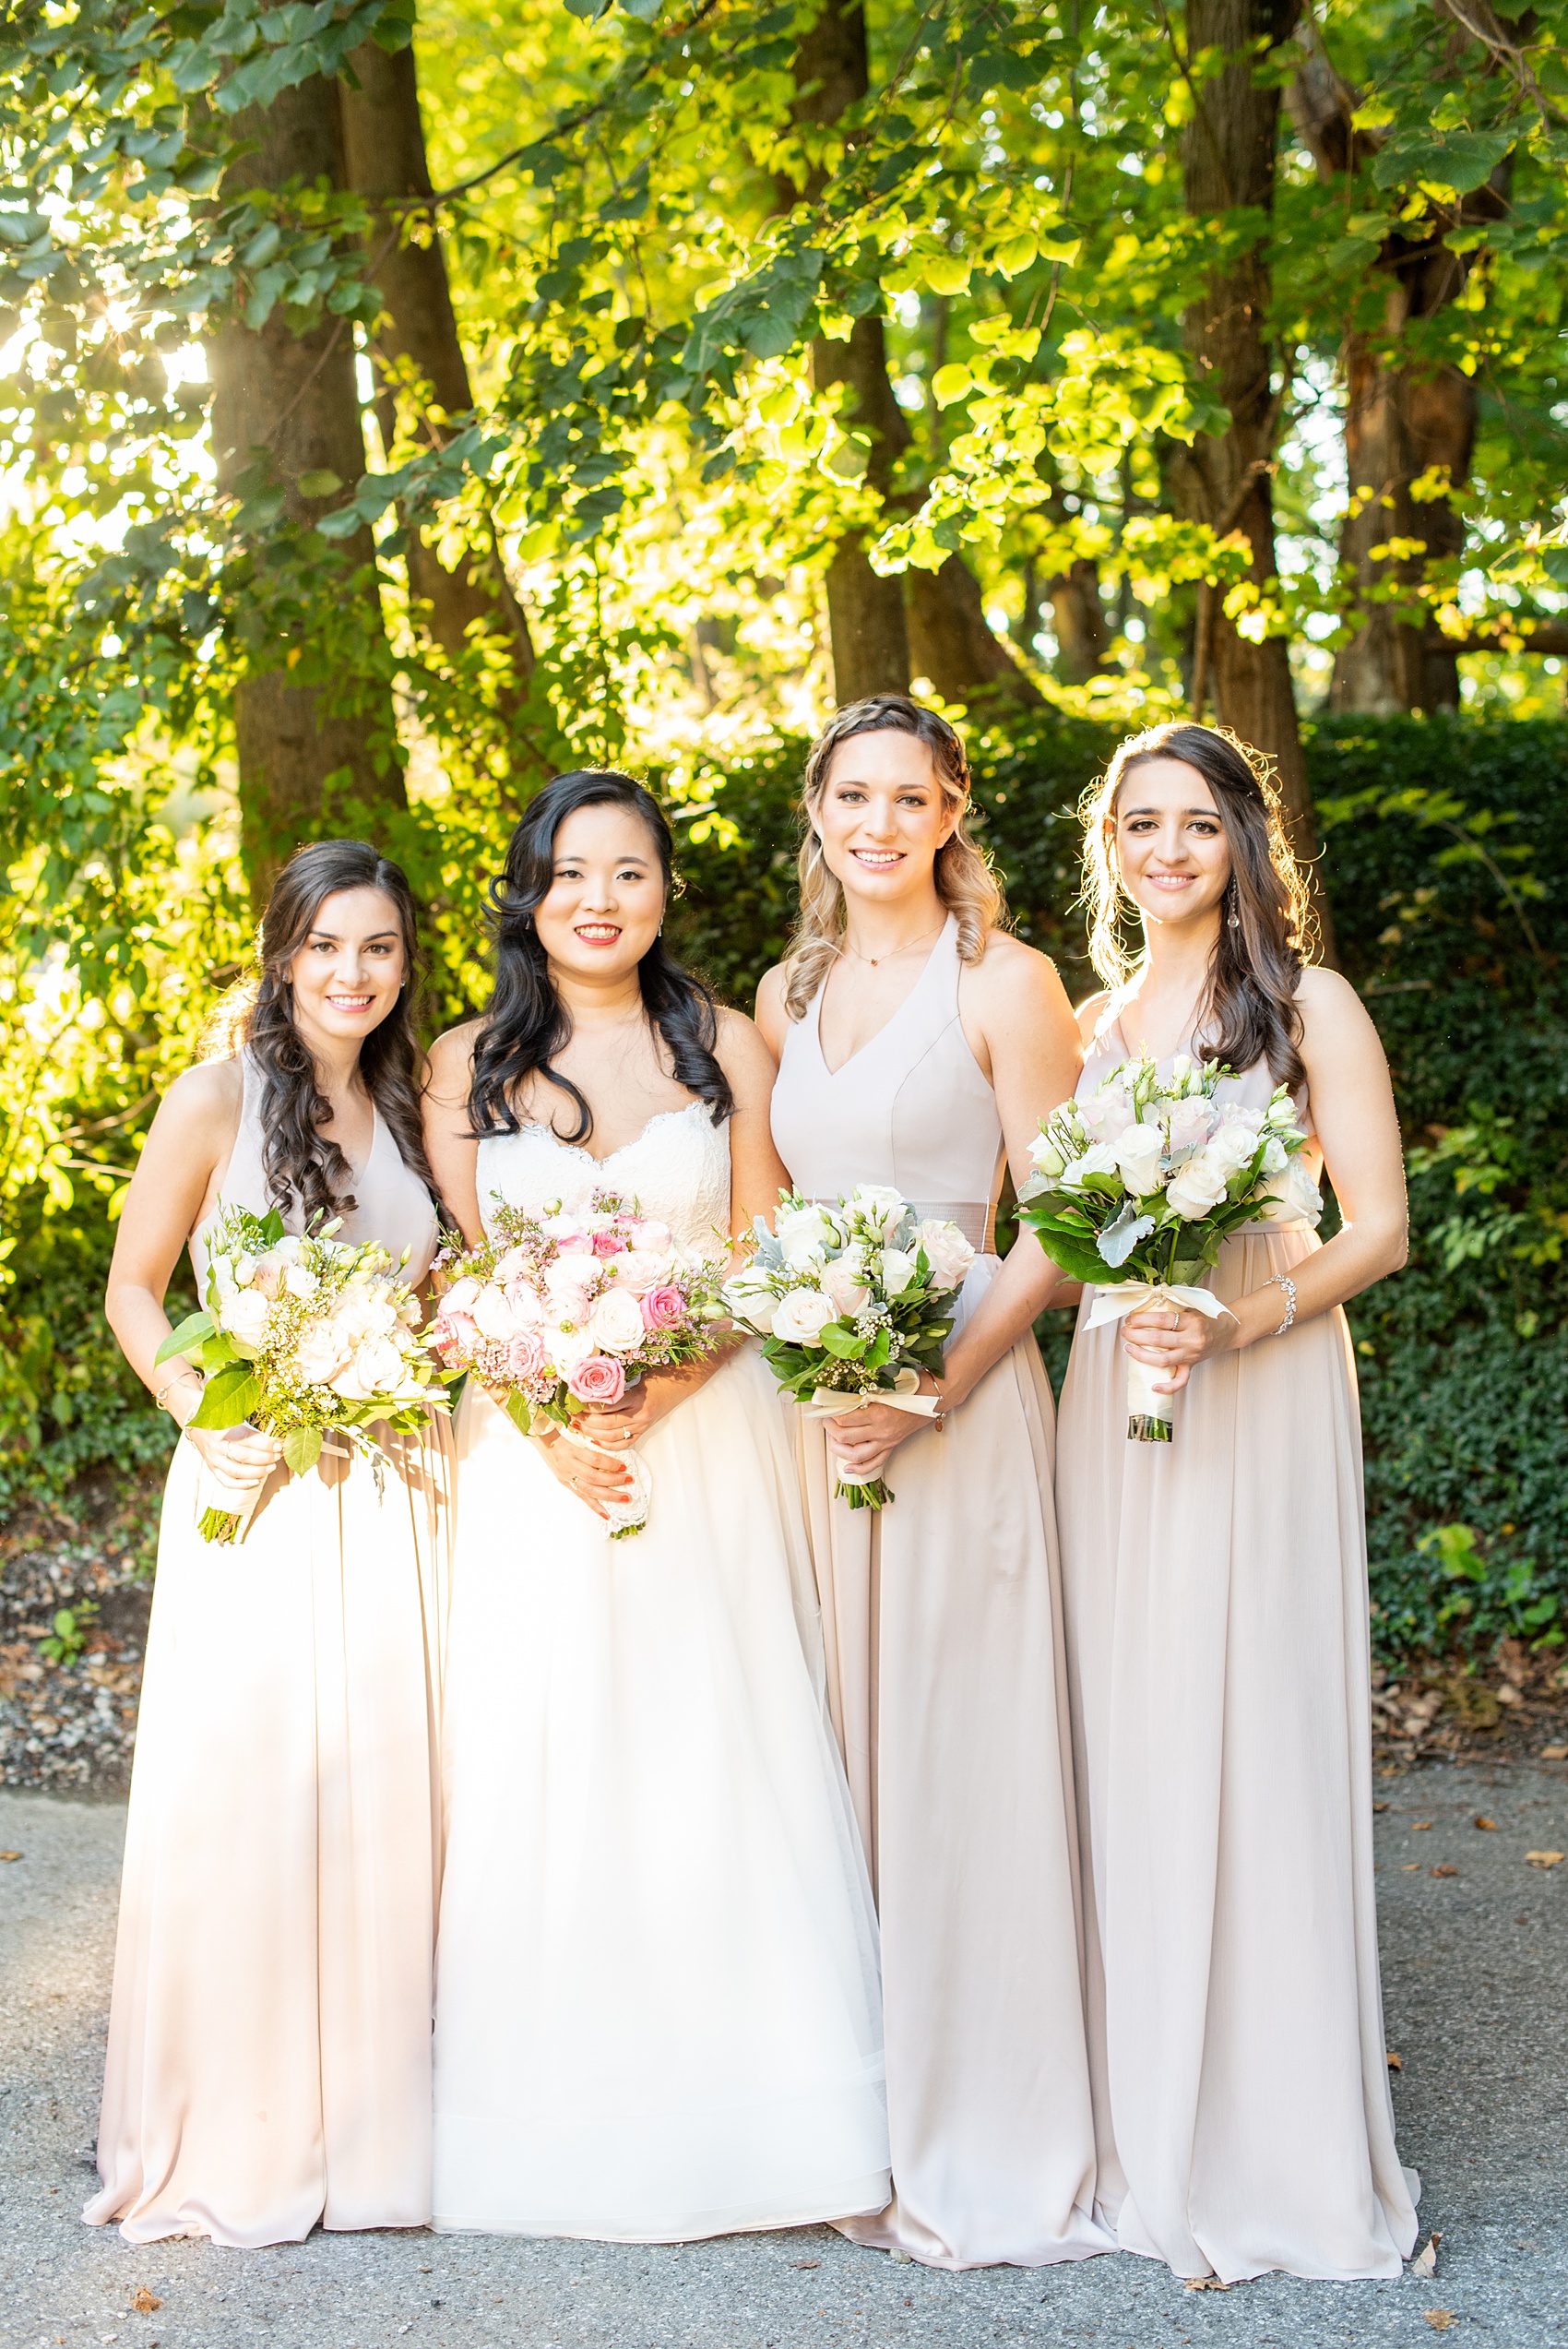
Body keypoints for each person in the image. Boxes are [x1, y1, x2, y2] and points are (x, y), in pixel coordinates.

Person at [423, 769, 889, 2243]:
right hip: (531, 1451)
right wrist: (553, 1419)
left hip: (704, 1439)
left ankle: (765, 2111)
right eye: (572, 873)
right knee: (546, 1751)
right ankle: (555, 2109)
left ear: (664, 889)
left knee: (714, 1739)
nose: (600, 900)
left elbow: (761, 1257)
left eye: (629, 872)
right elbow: (458, 1274)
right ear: (531, 891)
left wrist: (660, 1389)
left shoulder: (729, 1046)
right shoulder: (459, 1065)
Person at [1055, 720, 1420, 2281]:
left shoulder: (1309, 1002)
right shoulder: (1086, 1020)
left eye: (1199, 824)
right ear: (1112, 847)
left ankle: (1277, 2140)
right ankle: (1151, 2124)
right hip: (1110, 1376)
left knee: (1254, 1725)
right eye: (1142, 824)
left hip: (1258, 1370)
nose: (1169, 850)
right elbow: (1057, 1219)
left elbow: (1383, 1225)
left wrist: (1249, 1318)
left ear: (1243, 845)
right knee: (1132, 1724)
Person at [756, 694, 1107, 2271]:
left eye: (911, 796)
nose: (880, 823)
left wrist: (936, 1384)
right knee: (837, 1745)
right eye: (853, 796)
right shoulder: (788, 985)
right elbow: (771, 1214)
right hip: (817, 1406)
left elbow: (1064, 1218)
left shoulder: (1011, 980)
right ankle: (858, 2109)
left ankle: (993, 2112)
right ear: (818, 812)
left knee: (961, 1748)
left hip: (957, 1398)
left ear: (955, 807)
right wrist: (816, 1357)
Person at [87, 840, 453, 2248]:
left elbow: (441, 1288)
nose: (353, 974)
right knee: (255, 1800)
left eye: (379, 948)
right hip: (260, 1476)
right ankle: (239, 2119)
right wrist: (193, 1406)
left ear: (404, 961)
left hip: (397, 1479)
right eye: (327, 947)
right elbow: (134, 1285)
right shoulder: (216, 1097)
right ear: (280, 951)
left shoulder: (421, 1108)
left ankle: (368, 2125)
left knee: (385, 1798)